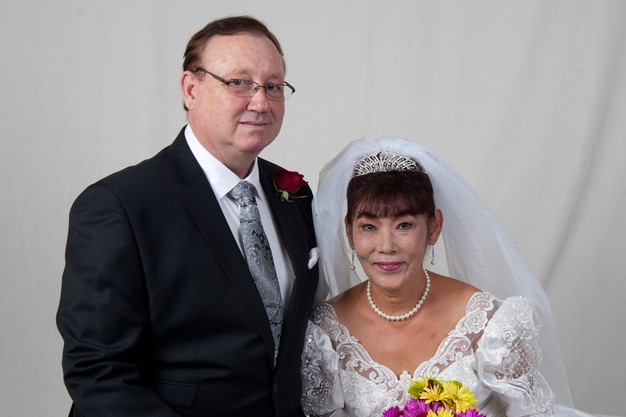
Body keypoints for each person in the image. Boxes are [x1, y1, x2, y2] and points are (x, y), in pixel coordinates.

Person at [56, 16, 318, 417]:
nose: (261, 102)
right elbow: (98, 374)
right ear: (191, 89)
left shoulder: (294, 195)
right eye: (239, 82)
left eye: (273, 86)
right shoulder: (119, 204)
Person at [301, 137, 606, 417]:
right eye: (369, 227)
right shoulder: (324, 332)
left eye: (404, 225)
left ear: (434, 227)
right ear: (350, 232)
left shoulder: (490, 326)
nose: (386, 246)